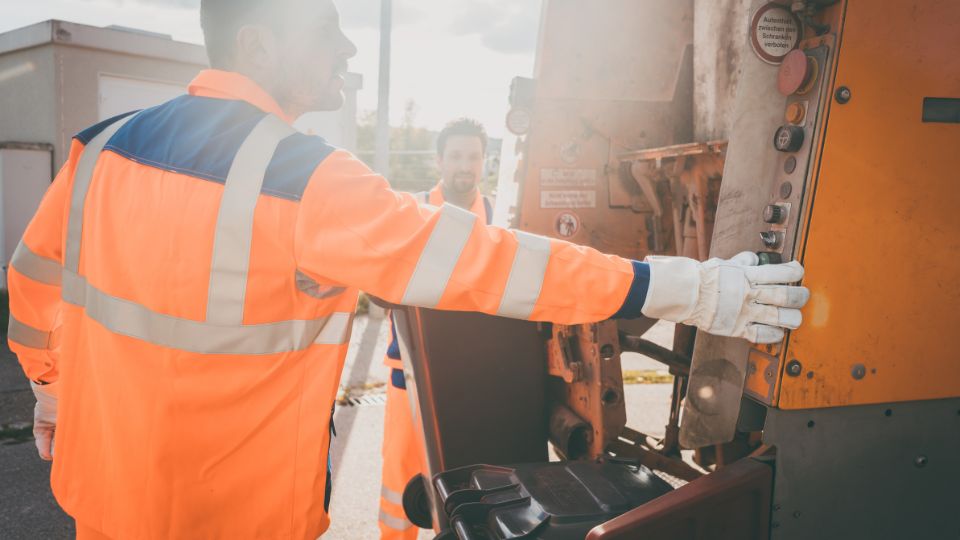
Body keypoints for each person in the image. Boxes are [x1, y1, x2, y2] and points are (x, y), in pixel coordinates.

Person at [5, 0, 809, 538]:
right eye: (325, 29)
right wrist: (696, 289)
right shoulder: (299, 176)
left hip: (103, 504)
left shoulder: (100, 146)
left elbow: (33, 287)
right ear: (258, 44)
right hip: (220, 521)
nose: (347, 46)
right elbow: (495, 265)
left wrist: (48, 390)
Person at [378, 118, 493, 539]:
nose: (466, 165)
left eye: (474, 157)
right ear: (440, 160)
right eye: (458, 156)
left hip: (467, 375)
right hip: (410, 370)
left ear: (485, 162)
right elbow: (377, 277)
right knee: (404, 482)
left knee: (466, 483)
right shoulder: (413, 211)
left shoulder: (496, 216)